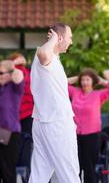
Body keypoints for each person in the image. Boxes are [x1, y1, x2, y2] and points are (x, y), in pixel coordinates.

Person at [29, 23, 81, 183]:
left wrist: (78, 78)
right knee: (70, 173)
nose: (71, 42)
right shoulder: (45, 53)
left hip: (43, 121)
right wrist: (53, 39)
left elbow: (55, 84)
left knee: (39, 174)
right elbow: (44, 53)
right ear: (60, 38)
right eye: (69, 37)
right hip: (57, 123)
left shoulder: (54, 60)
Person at [68, 68, 109, 183]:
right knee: (75, 166)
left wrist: (100, 80)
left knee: (89, 167)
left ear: (93, 81)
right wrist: (78, 77)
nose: (85, 82)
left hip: (92, 136)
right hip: (75, 135)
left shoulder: (98, 94)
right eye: (83, 80)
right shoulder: (75, 92)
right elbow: (61, 83)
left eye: (88, 79)